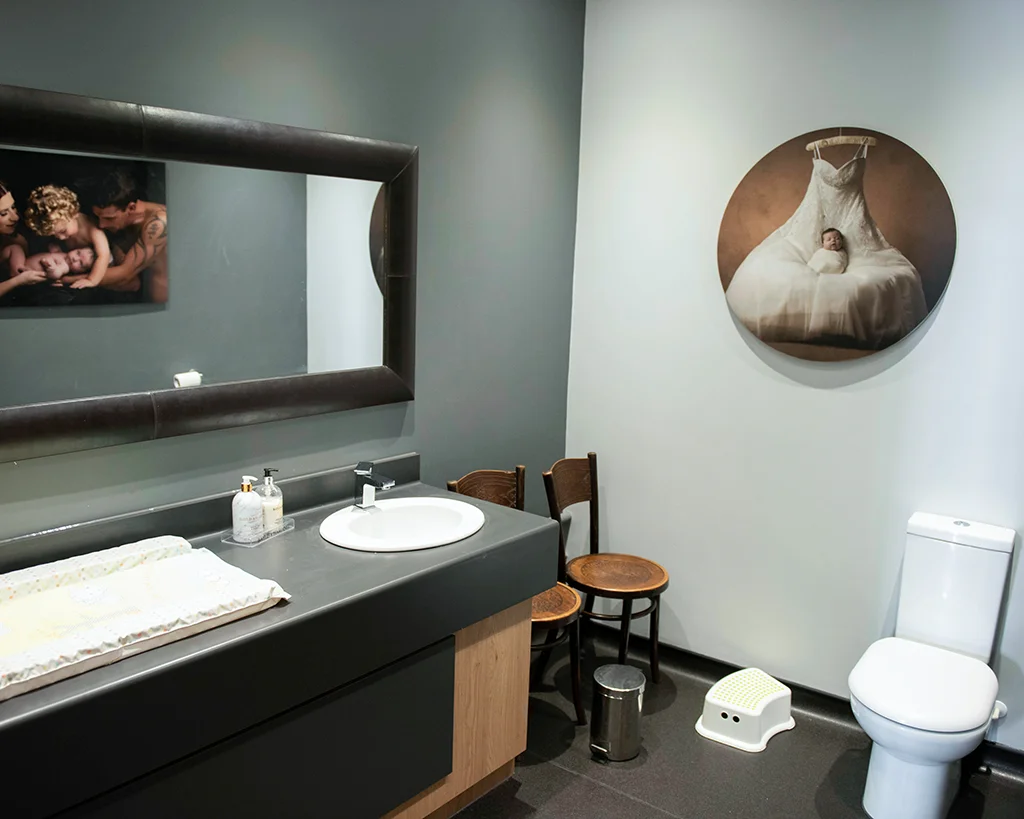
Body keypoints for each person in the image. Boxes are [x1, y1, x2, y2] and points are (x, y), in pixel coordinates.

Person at [89, 170, 168, 302]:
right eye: (98, 217)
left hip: (168, 308)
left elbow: (124, 273)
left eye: (109, 219)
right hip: (141, 302)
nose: (101, 225)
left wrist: (64, 279)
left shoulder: (159, 223)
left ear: (131, 208)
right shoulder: (123, 223)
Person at [22, 184, 111, 289]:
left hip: (86, 270)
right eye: (54, 234)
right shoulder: (60, 225)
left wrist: (91, 280)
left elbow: (103, 255)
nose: (60, 237)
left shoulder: (92, 230)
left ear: (73, 213)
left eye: (63, 231)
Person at [0, 179, 49, 299]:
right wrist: (18, 281)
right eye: (3, 214)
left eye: (13, 207)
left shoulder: (18, 236)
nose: (15, 217)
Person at [20, 246, 97, 280]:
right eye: (78, 253)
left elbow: (56, 273)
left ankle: (17, 269)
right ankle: (17, 265)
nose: (75, 259)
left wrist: (52, 268)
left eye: (80, 263)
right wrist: (55, 249)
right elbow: (53, 251)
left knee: (14, 249)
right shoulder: (63, 254)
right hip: (23, 261)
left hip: (27, 271)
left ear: (80, 272)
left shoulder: (65, 266)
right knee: (16, 248)